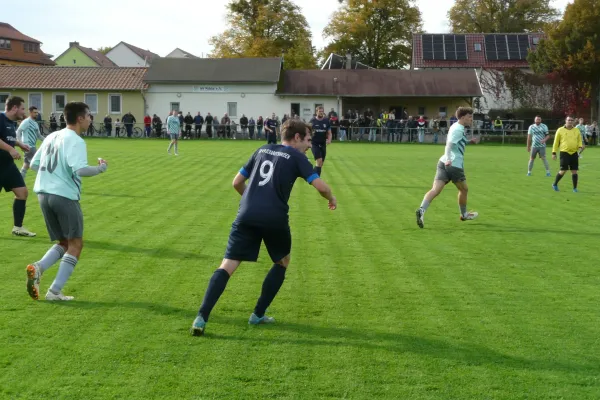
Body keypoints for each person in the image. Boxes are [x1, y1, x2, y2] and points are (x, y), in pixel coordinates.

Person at [190, 119, 337, 336]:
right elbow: (321, 187)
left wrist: (252, 199)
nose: (309, 145)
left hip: (246, 213)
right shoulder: (297, 156)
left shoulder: (262, 149)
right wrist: (331, 197)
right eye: (307, 139)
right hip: (274, 217)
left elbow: (236, 182)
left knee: (227, 265)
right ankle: (257, 314)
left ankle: (201, 317)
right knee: (282, 261)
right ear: (296, 137)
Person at [26, 101, 108, 301]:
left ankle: (38, 268)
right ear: (80, 118)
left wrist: (53, 177)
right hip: (63, 196)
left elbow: (34, 164)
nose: (90, 119)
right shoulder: (76, 140)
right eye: (89, 116)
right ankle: (54, 291)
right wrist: (101, 168)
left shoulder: (52, 136)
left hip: (43, 194)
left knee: (64, 241)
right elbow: (80, 170)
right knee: (76, 244)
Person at [415, 107, 479, 228]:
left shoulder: (455, 126)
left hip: (442, 162)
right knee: (464, 189)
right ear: (463, 117)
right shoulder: (459, 129)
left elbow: (456, 141)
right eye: (470, 117)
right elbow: (449, 146)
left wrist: (469, 141)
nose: (471, 119)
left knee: (435, 190)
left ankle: (422, 210)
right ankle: (464, 214)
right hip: (453, 164)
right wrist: (449, 159)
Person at [0, 96, 36, 237]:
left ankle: (18, 228)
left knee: (22, 193)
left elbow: (8, 138)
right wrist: (10, 149)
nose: (23, 111)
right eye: (22, 108)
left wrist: (19, 144)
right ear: (14, 108)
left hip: (8, 166)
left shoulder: (12, 123)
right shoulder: (0, 118)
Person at [552, 116, 583, 192]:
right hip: (564, 152)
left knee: (574, 171)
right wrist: (554, 152)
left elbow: (579, 140)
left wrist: (580, 146)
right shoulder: (560, 130)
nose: (570, 121)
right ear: (565, 121)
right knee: (563, 170)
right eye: (568, 120)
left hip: (574, 153)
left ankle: (575, 188)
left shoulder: (576, 130)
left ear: (573, 122)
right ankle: (555, 184)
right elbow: (556, 142)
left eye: (571, 120)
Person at [16, 106, 45, 179]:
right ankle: (44, 179)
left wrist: (48, 139)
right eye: (35, 112)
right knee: (40, 162)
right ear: (30, 113)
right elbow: (18, 131)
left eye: (37, 112)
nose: (36, 114)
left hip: (32, 147)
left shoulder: (35, 123)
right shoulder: (26, 121)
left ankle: (19, 181)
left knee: (26, 165)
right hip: (29, 147)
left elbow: (39, 136)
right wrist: (20, 143)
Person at [309, 106, 332, 176]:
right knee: (319, 161)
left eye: (322, 111)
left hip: (323, 144)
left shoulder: (326, 121)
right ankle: (316, 178)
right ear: (316, 112)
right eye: (320, 111)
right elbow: (307, 132)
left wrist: (329, 139)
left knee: (320, 163)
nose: (321, 113)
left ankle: (312, 174)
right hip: (314, 144)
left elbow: (329, 132)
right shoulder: (312, 121)